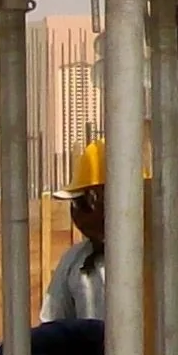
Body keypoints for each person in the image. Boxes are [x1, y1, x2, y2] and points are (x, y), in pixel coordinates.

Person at [43, 139, 109, 324]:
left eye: (82, 202)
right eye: (74, 204)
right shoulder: (75, 259)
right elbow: (52, 326)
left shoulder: (160, 264)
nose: (77, 214)